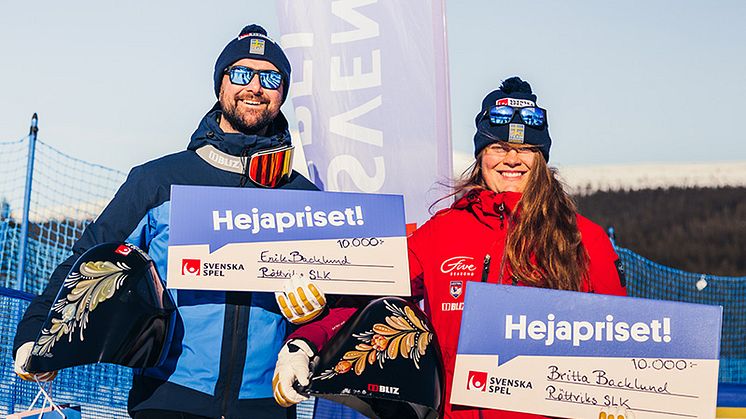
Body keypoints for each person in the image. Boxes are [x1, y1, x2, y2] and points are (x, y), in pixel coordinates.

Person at [13, 24, 325, 419]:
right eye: (241, 74)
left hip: (266, 404)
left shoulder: (304, 200)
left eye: (270, 77)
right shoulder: (159, 181)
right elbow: (87, 259)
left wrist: (312, 327)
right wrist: (35, 336)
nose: (255, 87)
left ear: (283, 92)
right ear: (220, 84)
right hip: (169, 397)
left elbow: (344, 301)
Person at [273, 77, 627, 418]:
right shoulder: (442, 232)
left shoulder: (584, 238)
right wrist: (306, 342)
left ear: (542, 159)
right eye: (499, 147)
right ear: (481, 155)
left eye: (526, 149)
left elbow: (623, 340)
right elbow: (372, 297)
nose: (512, 159)